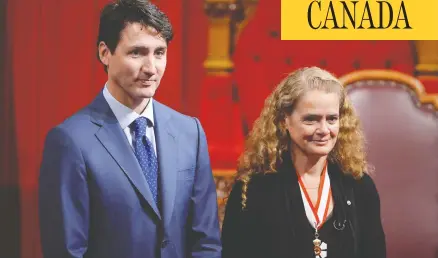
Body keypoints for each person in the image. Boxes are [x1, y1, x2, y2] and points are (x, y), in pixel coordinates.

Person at [38, 1, 222, 257]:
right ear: (105, 53)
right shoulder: (70, 141)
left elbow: (208, 242)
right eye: (137, 52)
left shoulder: (190, 132)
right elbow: (67, 251)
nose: (151, 68)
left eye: (159, 53)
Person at [221, 67, 386, 258]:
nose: (324, 129)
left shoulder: (359, 186)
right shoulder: (252, 191)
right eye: (311, 120)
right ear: (285, 121)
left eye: (332, 119)